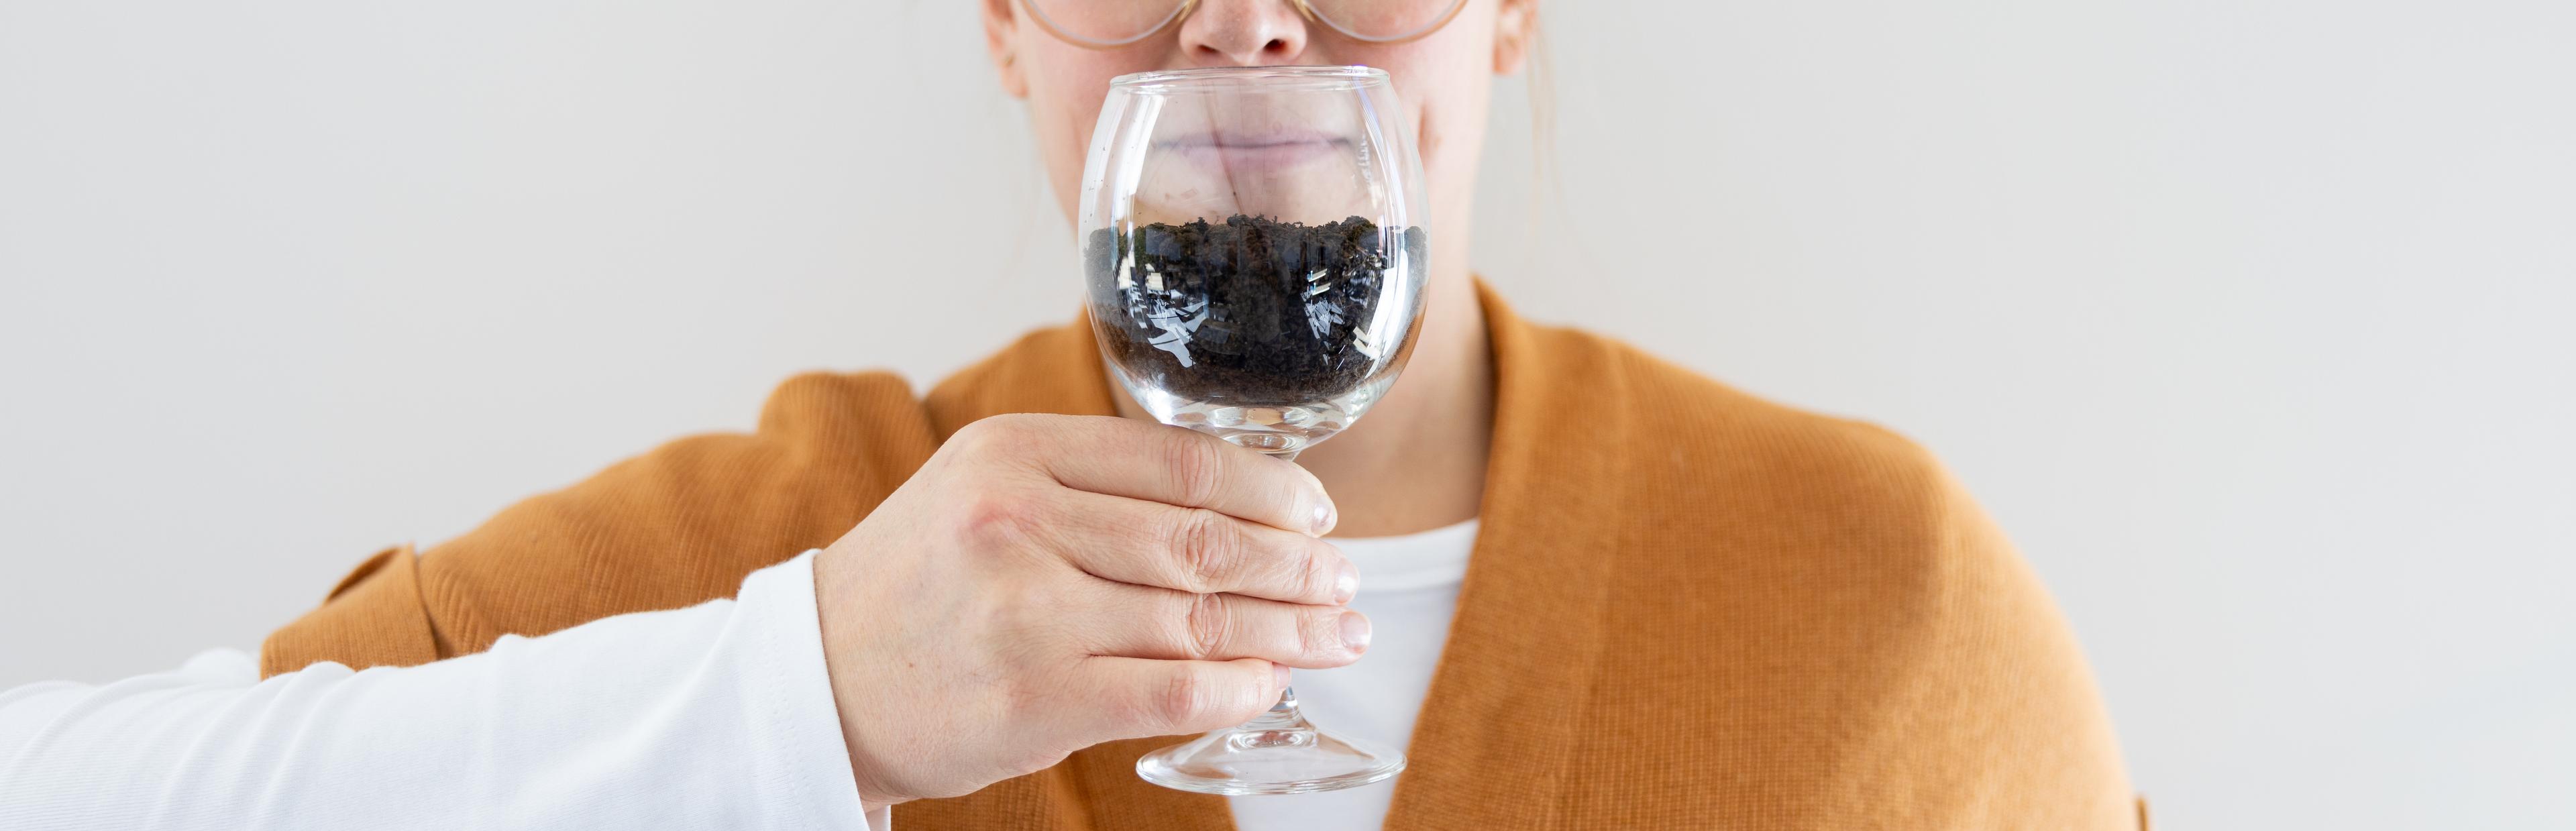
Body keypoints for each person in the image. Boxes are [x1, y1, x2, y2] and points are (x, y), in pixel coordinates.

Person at [0, 1, 2144, 828]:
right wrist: (797, 698)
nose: (1246, 16)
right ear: (1007, 34)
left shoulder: (1882, 609)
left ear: (1507, 18)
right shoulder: (803, 539)